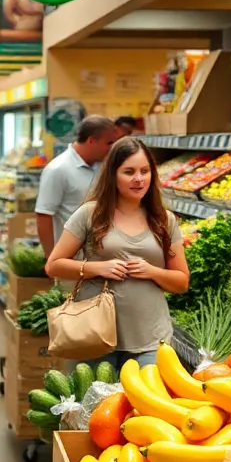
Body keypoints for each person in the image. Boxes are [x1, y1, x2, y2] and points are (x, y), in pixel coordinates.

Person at [44, 137, 190, 371]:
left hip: (150, 338)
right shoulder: (90, 214)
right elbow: (54, 265)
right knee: (94, 406)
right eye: (129, 172)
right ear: (112, 175)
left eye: (145, 171)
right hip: (94, 336)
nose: (138, 179)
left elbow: (181, 282)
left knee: (145, 407)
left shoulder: (164, 220)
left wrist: (151, 271)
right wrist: (95, 268)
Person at [34, 115, 120, 255]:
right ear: (91, 140)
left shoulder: (104, 166)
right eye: (109, 143)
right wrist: (51, 258)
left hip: (101, 256)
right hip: (71, 258)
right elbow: (44, 216)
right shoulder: (58, 169)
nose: (112, 148)